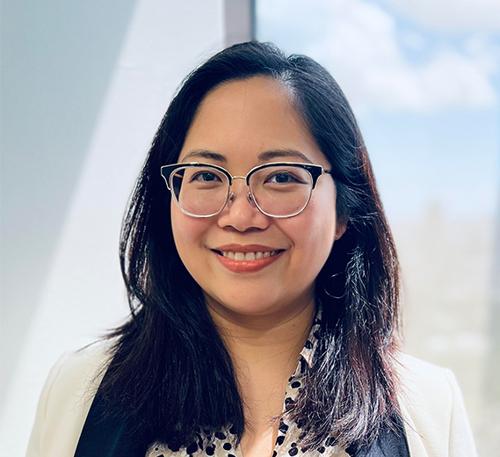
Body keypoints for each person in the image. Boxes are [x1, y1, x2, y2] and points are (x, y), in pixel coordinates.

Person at [26, 41, 478, 457]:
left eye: (281, 177)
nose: (241, 217)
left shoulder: (430, 408)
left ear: (344, 210)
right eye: (206, 175)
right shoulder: (77, 389)